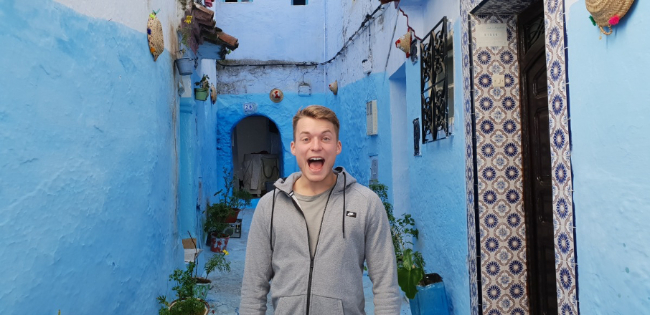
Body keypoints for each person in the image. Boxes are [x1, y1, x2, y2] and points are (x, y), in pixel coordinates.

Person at [239, 105, 401, 315]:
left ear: (337, 146)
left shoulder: (366, 203)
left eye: (325, 138)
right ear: (294, 147)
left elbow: (386, 286)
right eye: (306, 139)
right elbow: (253, 288)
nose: (316, 146)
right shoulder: (269, 207)